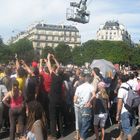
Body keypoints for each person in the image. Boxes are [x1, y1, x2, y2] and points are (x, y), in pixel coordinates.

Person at [74, 74, 95, 140]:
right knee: (85, 126)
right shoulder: (91, 86)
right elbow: (94, 95)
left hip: (80, 107)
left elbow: (75, 99)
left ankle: (80, 137)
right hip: (86, 107)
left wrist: (77, 102)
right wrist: (89, 102)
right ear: (90, 80)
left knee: (81, 125)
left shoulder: (79, 87)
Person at [116, 74, 134, 140]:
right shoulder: (128, 86)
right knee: (123, 125)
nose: (117, 80)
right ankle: (119, 138)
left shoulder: (121, 89)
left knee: (127, 130)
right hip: (130, 108)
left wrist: (117, 114)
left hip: (124, 110)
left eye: (118, 79)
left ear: (120, 80)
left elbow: (119, 102)